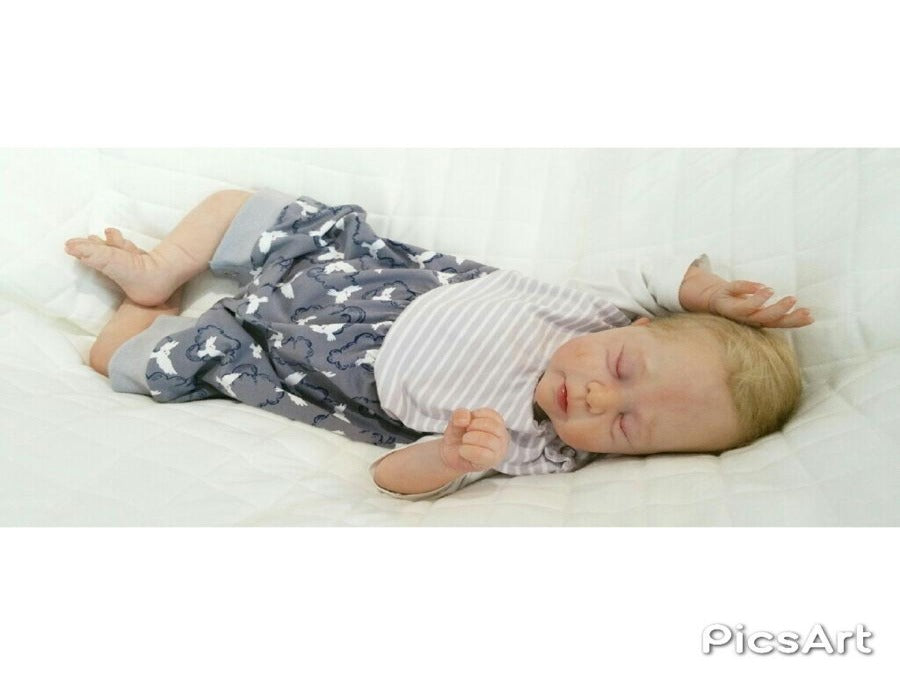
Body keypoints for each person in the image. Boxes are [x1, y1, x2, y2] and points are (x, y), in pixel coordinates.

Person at [64, 188, 812, 499]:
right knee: (244, 204)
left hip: (308, 361)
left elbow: (391, 476)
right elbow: (654, 275)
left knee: (117, 361)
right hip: (368, 275)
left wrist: (449, 459)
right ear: (636, 327)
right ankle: (166, 265)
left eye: (624, 425)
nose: (595, 396)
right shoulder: (596, 313)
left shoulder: (537, 448)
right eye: (620, 369)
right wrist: (707, 294)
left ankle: (145, 304)